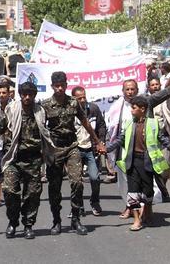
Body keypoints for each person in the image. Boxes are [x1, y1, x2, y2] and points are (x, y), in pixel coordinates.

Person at [0, 82, 57, 239]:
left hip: (33, 159)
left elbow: (51, 130)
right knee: (10, 191)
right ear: (20, 95)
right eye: (24, 94)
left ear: (34, 95)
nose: (27, 97)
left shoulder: (41, 111)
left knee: (32, 194)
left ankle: (28, 225)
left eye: (30, 94)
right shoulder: (12, 110)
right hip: (13, 158)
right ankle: (13, 222)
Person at [41, 72, 102, 236]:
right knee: (55, 187)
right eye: (57, 85)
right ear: (52, 86)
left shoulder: (73, 103)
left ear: (66, 85)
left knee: (77, 183)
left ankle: (76, 219)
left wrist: (97, 141)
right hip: (55, 149)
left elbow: (85, 122)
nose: (60, 88)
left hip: (72, 147)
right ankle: (56, 221)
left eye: (62, 85)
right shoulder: (45, 104)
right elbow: (39, 126)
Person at [106, 96, 170, 232]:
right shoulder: (129, 124)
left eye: (134, 108)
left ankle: (147, 210)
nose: (131, 110)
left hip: (147, 162)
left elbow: (163, 139)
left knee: (148, 191)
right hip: (132, 162)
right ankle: (137, 220)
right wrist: (107, 149)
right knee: (133, 192)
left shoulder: (153, 123)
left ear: (142, 109)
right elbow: (120, 139)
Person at [72, 86, 107, 216]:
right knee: (76, 181)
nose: (82, 100)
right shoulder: (70, 111)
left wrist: (101, 142)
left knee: (95, 177)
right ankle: (77, 206)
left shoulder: (93, 109)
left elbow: (102, 125)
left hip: (90, 149)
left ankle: (95, 201)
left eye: (84, 97)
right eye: (79, 98)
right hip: (75, 149)